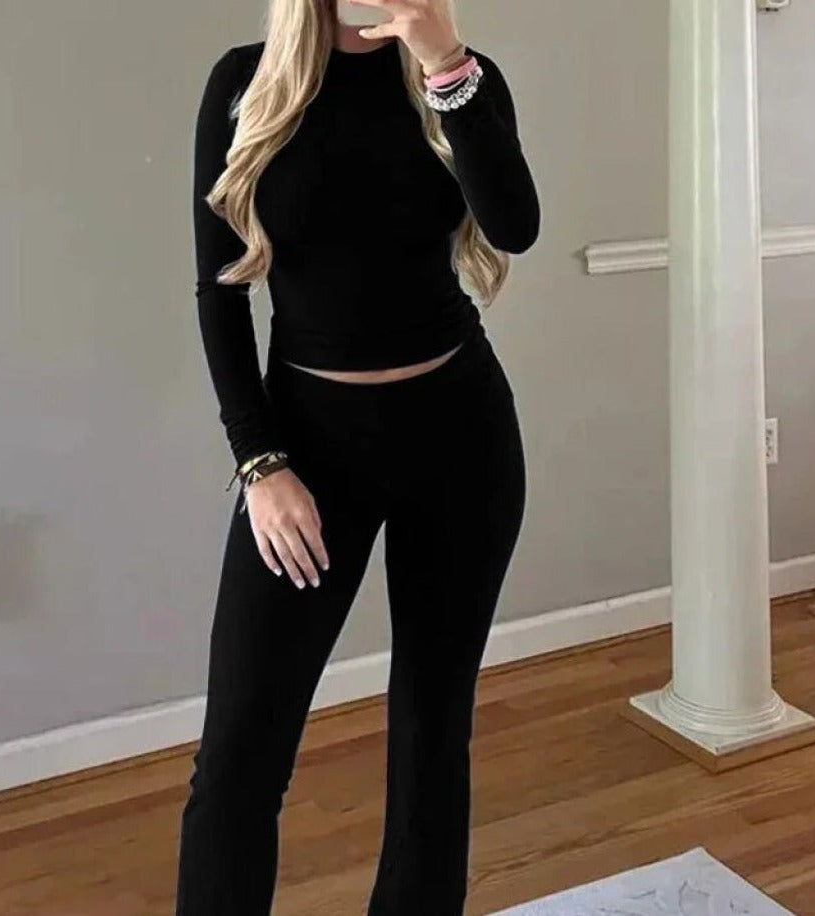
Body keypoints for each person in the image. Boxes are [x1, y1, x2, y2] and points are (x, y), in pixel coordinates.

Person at [177, 0, 539, 912]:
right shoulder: (245, 82)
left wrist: (444, 60)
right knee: (240, 756)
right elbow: (219, 292)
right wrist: (260, 464)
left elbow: (515, 226)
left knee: (432, 729)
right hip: (309, 445)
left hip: (461, 436)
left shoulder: (462, 76)